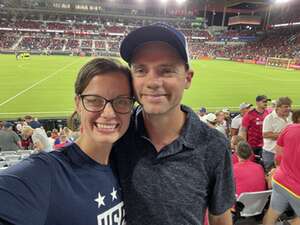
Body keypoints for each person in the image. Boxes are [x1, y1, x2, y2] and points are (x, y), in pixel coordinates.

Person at [113, 23, 235, 225]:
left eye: (167, 70)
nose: (152, 82)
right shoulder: (117, 136)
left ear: (187, 78)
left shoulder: (214, 144)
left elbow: (220, 217)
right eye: (141, 70)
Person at [0, 58, 134, 225]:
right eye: (94, 100)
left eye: (121, 101)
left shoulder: (127, 165)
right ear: (78, 103)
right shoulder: (45, 173)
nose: (108, 113)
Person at [263, 115, 300, 225]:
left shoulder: (289, 128)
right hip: (296, 187)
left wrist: (278, 170)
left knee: (272, 214)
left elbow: (278, 156)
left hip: (280, 180)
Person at [262, 97, 292, 171]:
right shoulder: (269, 118)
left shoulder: (291, 116)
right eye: (285, 107)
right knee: (271, 174)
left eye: (289, 106)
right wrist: (286, 134)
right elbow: (266, 135)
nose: (288, 108)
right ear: (278, 107)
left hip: (287, 152)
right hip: (271, 153)